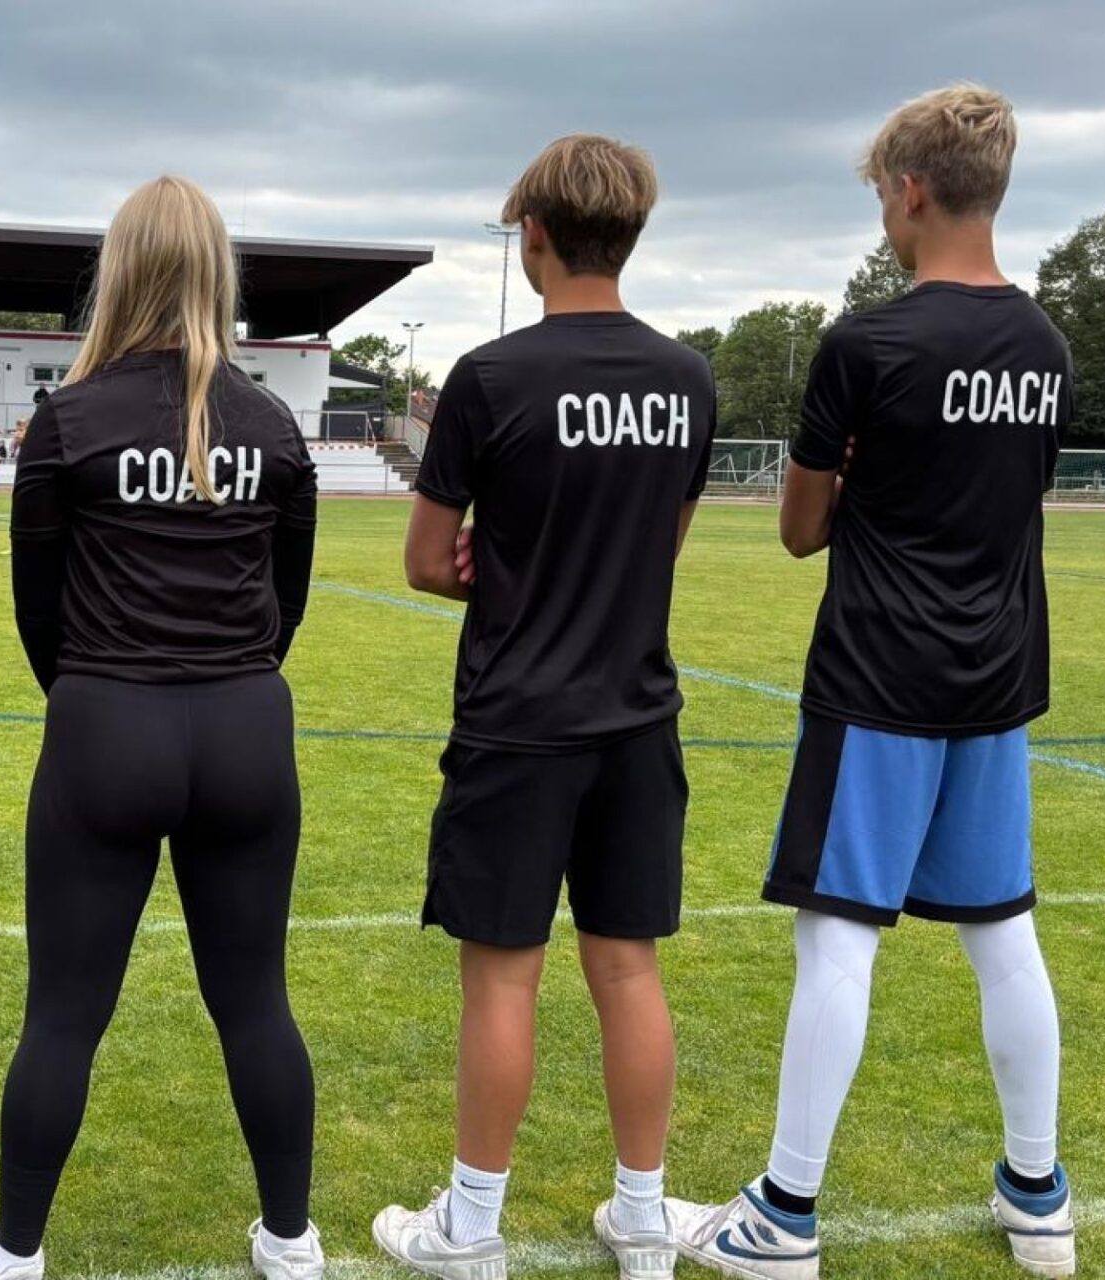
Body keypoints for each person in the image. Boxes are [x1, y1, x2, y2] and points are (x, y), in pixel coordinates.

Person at [668, 85, 1075, 1280]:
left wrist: (855, 480)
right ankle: (1037, 1193)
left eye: (881, 199)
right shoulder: (1046, 345)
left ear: (908, 190)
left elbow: (800, 529)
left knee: (837, 938)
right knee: (1005, 936)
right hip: (994, 678)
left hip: (879, 678)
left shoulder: (868, 344)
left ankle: (782, 1215)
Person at [0, 175, 324, 1280]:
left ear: (121, 272)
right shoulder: (274, 422)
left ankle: (15, 1251)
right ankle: (290, 1241)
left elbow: (39, 612)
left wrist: (100, 703)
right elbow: (282, 604)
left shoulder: (70, 417)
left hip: (107, 721)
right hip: (245, 724)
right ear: (216, 276)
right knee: (256, 997)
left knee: (62, 1009)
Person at [368, 135, 715, 1280]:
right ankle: (645, 1218)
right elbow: (661, 547)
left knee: (503, 975)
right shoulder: (687, 379)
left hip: (517, 721)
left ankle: (471, 1227)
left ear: (531, 235)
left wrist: (498, 554)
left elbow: (425, 560)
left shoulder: (489, 377)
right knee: (629, 969)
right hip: (636, 719)